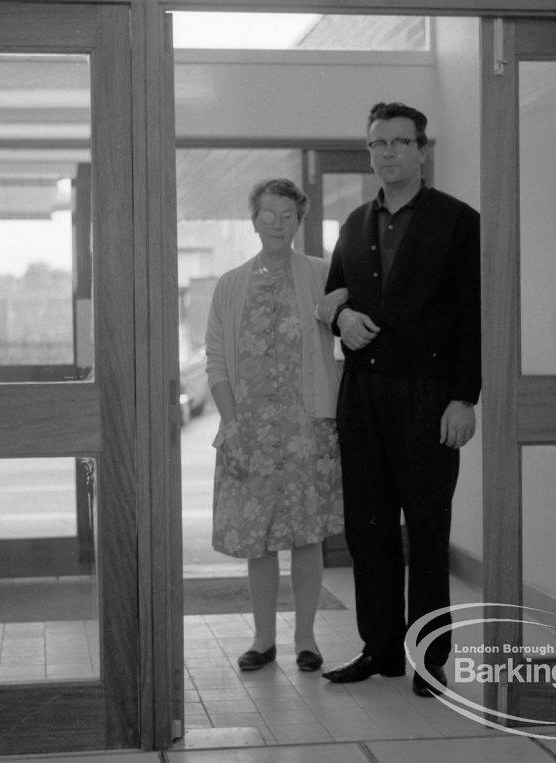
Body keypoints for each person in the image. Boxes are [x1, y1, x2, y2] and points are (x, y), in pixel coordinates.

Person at [319, 102, 481, 697]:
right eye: (377, 144)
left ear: (421, 149)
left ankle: (429, 659)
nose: (386, 153)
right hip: (361, 395)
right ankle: (379, 648)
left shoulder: (460, 222)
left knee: (428, 527)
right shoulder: (354, 223)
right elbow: (333, 291)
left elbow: (474, 316)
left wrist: (465, 398)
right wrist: (343, 316)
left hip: (430, 396)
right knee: (369, 527)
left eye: (398, 142)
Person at [205, 178, 347, 673]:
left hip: (307, 428)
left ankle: (306, 638)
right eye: (269, 214)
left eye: (287, 215)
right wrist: (234, 420)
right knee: (258, 540)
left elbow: (346, 337)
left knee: (308, 535)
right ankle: (263, 639)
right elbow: (216, 359)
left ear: (299, 220)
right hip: (249, 432)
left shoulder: (322, 274)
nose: (278, 224)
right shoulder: (230, 283)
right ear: (254, 218)